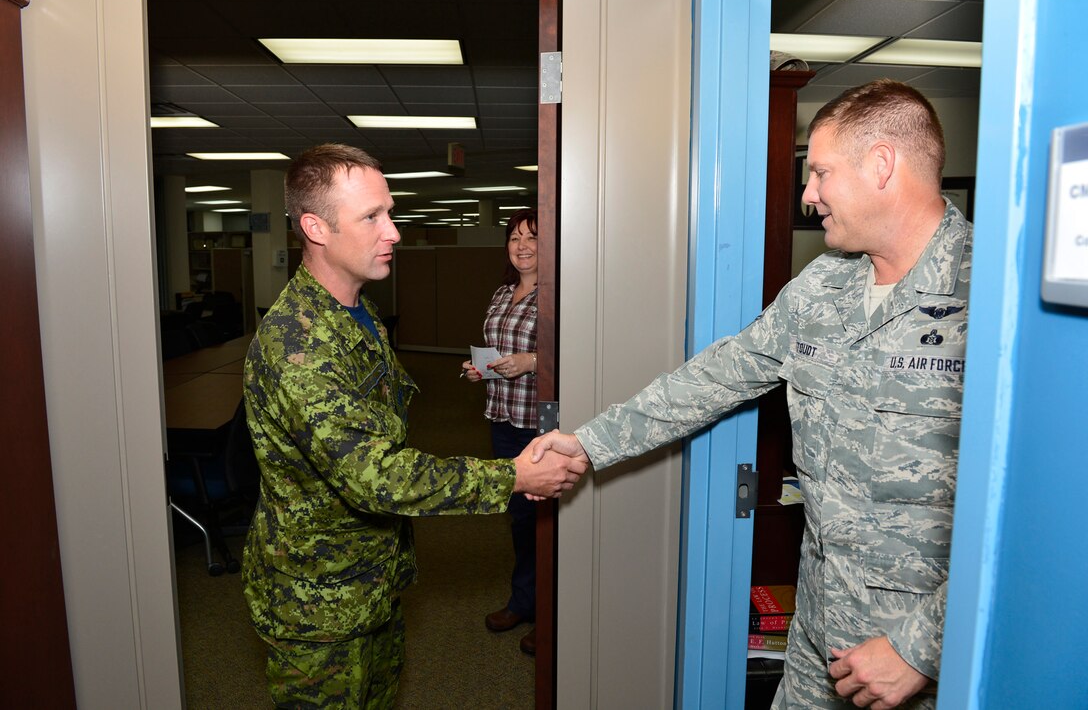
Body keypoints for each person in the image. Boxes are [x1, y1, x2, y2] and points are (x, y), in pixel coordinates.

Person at [530, 79, 969, 710]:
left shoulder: (992, 299)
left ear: (881, 165)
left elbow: (1044, 506)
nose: (808, 193)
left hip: (919, 660)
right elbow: (718, 375)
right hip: (820, 627)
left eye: (819, 172)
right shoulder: (826, 282)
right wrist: (589, 442)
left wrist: (922, 647)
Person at [241, 143, 586, 709]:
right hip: (320, 601)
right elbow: (374, 475)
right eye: (371, 217)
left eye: (390, 212)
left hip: (370, 579)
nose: (394, 232)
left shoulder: (357, 310)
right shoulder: (298, 342)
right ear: (315, 227)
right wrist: (514, 476)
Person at [460, 208, 541, 656]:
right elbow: (496, 349)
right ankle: (523, 601)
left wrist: (531, 362)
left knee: (545, 522)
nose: (522, 245)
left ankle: (550, 611)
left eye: (532, 237)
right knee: (520, 520)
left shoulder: (560, 293)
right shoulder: (503, 291)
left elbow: (581, 352)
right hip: (503, 417)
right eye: (514, 238)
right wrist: (482, 370)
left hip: (539, 422)